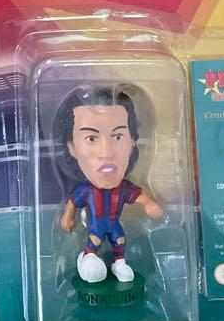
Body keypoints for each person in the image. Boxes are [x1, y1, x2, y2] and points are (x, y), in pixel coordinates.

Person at [56, 85, 162, 284]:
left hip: (114, 225)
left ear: (132, 142)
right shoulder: (86, 191)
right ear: (72, 148)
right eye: (91, 138)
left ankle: (119, 263)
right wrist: (67, 218)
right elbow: (73, 202)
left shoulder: (123, 188)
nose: (106, 152)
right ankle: (88, 258)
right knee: (94, 241)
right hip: (96, 227)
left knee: (119, 241)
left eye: (118, 136)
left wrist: (149, 203)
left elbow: (138, 196)